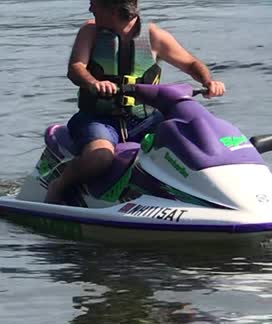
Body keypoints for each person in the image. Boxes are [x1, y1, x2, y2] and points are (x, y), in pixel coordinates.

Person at [45, 0, 225, 204]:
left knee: (187, 146)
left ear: (113, 10)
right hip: (97, 118)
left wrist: (207, 81)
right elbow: (76, 67)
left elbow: (191, 63)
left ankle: (203, 197)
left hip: (145, 120)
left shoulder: (154, 36)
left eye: (95, 3)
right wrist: (94, 82)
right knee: (100, 157)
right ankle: (58, 187)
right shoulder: (90, 31)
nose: (91, 8)